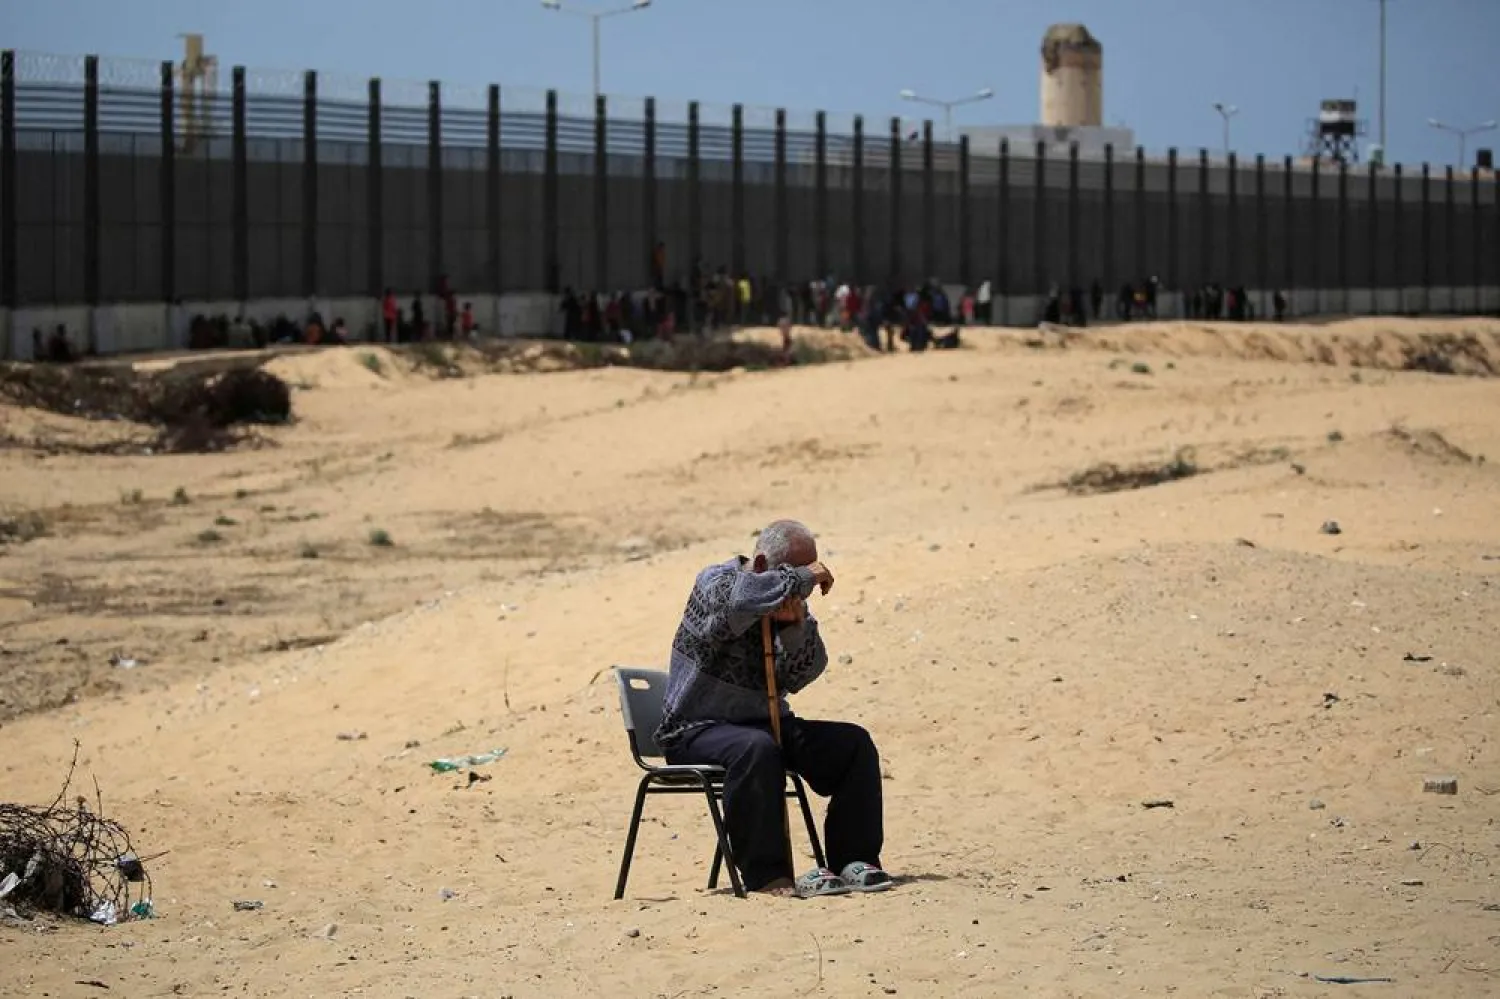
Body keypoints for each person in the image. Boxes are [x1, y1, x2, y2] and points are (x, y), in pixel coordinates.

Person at [655, 520, 892, 899]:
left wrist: (795, 629)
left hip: (767, 724)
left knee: (852, 745)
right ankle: (767, 877)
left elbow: (804, 673)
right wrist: (800, 578)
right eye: (796, 572)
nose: (806, 583)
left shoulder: (788, 597)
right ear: (764, 562)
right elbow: (737, 603)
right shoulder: (717, 582)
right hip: (696, 730)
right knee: (755, 749)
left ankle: (853, 859)